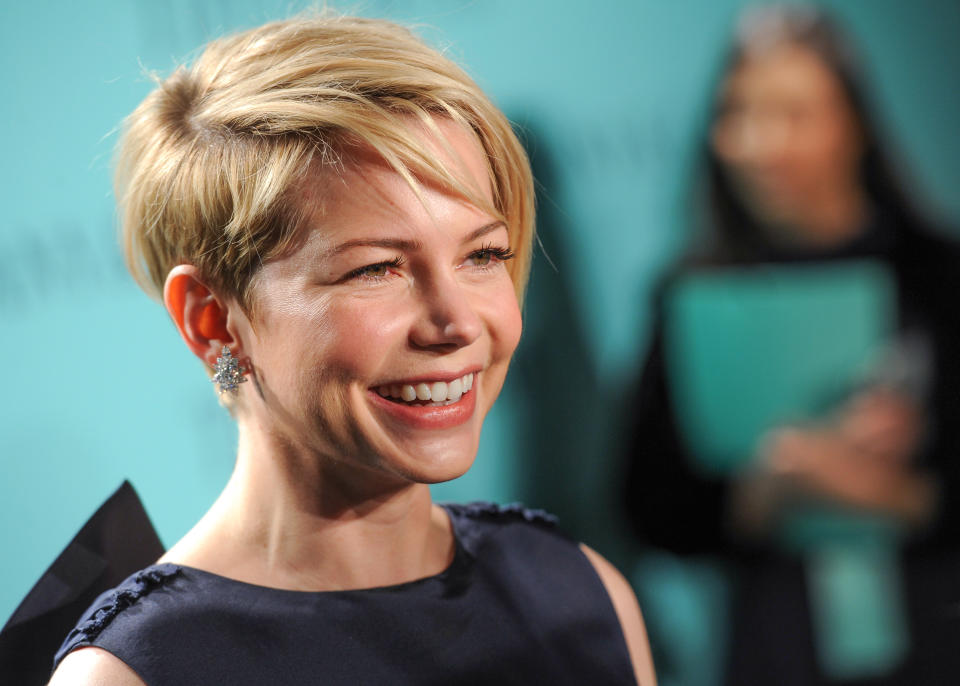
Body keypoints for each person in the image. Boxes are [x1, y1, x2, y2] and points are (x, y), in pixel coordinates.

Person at [49, 14, 655, 686]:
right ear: (213, 320)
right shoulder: (136, 671)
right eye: (377, 269)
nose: (455, 323)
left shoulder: (581, 592)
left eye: (483, 254)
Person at [624, 5, 960, 685]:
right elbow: (647, 500)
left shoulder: (939, 279)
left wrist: (900, 494)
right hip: (775, 646)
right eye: (738, 114)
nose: (760, 143)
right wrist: (763, 494)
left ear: (853, 125)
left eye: (794, 114)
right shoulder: (694, 294)